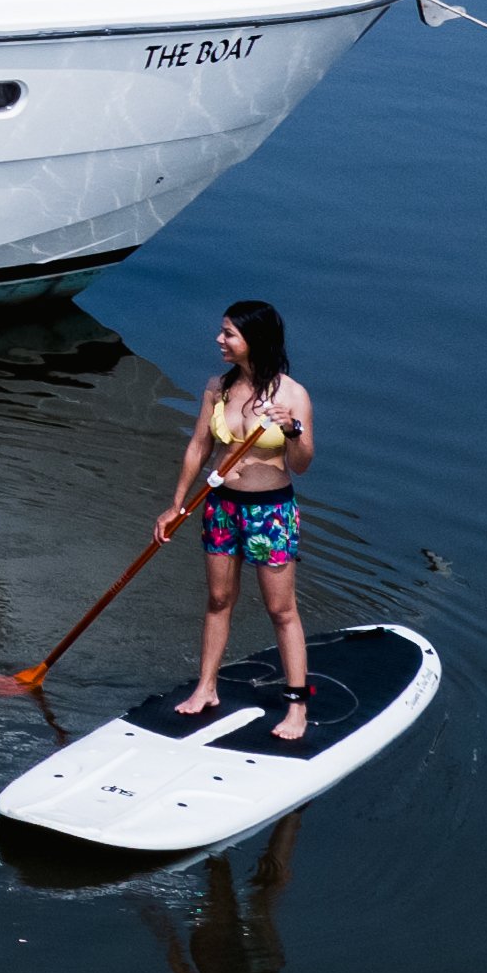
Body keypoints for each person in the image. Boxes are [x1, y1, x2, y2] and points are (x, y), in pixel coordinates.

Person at [161, 298, 320, 738]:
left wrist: (293, 430)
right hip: (221, 507)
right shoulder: (218, 387)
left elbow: (302, 463)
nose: (220, 339)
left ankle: (296, 708)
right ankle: (206, 687)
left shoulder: (292, 395)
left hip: (271, 512)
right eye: (223, 331)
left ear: (255, 340)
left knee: (280, 609)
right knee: (217, 600)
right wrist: (176, 504)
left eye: (229, 333)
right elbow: (198, 447)